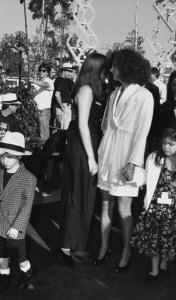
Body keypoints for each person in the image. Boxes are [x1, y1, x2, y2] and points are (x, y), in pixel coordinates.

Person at [95, 49, 154, 273]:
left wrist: (133, 162)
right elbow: (108, 127)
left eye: (115, 65)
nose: (111, 69)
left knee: (124, 208)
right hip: (108, 154)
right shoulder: (113, 94)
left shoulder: (144, 95)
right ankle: (103, 247)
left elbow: (142, 132)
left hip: (127, 157)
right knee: (105, 204)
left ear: (126, 66)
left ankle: (126, 251)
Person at [57, 53, 109, 267]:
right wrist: (91, 157)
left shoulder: (92, 89)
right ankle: (66, 247)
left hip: (88, 144)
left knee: (85, 197)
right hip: (83, 147)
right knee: (77, 196)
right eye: (105, 69)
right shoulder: (86, 90)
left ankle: (77, 244)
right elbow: (82, 125)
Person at [0, 131, 37, 293]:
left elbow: (27, 205)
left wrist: (17, 226)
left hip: (14, 228)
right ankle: (5, 276)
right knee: (1, 254)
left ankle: (28, 271)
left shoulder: (28, 178)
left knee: (20, 257)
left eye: (8, 156)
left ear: (19, 157)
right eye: (2, 156)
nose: (3, 160)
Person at [130, 126, 176, 284]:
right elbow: (144, 177)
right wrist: (132, 175)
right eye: (164, 143)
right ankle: (154, 270)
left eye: (171, 144)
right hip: (155, 208)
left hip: (172, 211)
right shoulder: (154, 158)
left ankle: (163, 265)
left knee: (168, 240)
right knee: (153, 240)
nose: (166, 146)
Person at [31, 62, 55, 145]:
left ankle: (45, 151)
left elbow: (45, 84)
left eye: (44, 71)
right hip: (35, 110)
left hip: (44, 111)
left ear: (48, 72)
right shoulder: (37, 82)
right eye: (40, 70)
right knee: (35, 132)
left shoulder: (50, 81)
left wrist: (34, 81)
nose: (41, 72)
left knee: (44, 134)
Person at [52, 62, 75, 130]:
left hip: (63, 108)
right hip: (64, 108)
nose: (70, 74)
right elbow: (57, 94)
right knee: (65, 131)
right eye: (69, 71)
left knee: (61, 131)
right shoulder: (61, 80)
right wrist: (62, 107)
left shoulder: (64, 81)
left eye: (71, 72)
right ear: (63, 71)